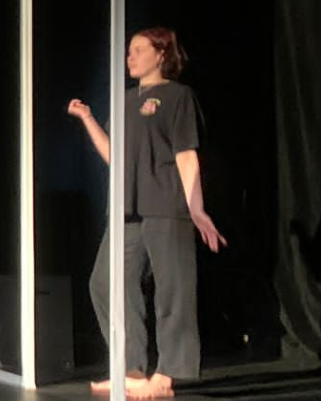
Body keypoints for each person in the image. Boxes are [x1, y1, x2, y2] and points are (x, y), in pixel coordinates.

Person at [67, 27, 227, 399]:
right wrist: (88, 119)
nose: (130, 57)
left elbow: (187, 153)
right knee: (105, 283)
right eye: (128, 52)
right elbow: (114, 157)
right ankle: (132, 368)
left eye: (139, 50)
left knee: (173, 290)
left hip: (166, 206)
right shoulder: (123, 101)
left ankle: (168, 372)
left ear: (161, 54)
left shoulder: (178, 96)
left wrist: (197, 209)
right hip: (127, 209)